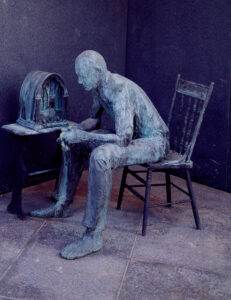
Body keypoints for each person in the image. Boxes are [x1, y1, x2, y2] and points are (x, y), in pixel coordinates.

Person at [30, 50, 169, 259]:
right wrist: (74, 131)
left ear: (97, 71)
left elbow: (123, 139)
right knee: (74, 144)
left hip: (154, 141)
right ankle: (62, 205)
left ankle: (93, 235)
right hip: (133, 136)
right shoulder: (98, 87)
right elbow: (93, 120)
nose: (78, 81)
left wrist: (83, 136)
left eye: (82, 76)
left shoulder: (118, 89)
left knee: (100, 157)